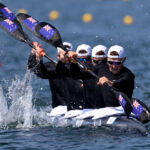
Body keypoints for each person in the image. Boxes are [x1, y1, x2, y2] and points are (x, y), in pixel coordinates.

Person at [28, 41, 72, 108]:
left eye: (67, 55)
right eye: (64, 55)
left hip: (76, 109)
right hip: (59, 109)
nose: (66, 57)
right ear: (58, 56)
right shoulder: (51, 67)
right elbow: (32, 68)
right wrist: (35, 55)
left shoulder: (78, 68)